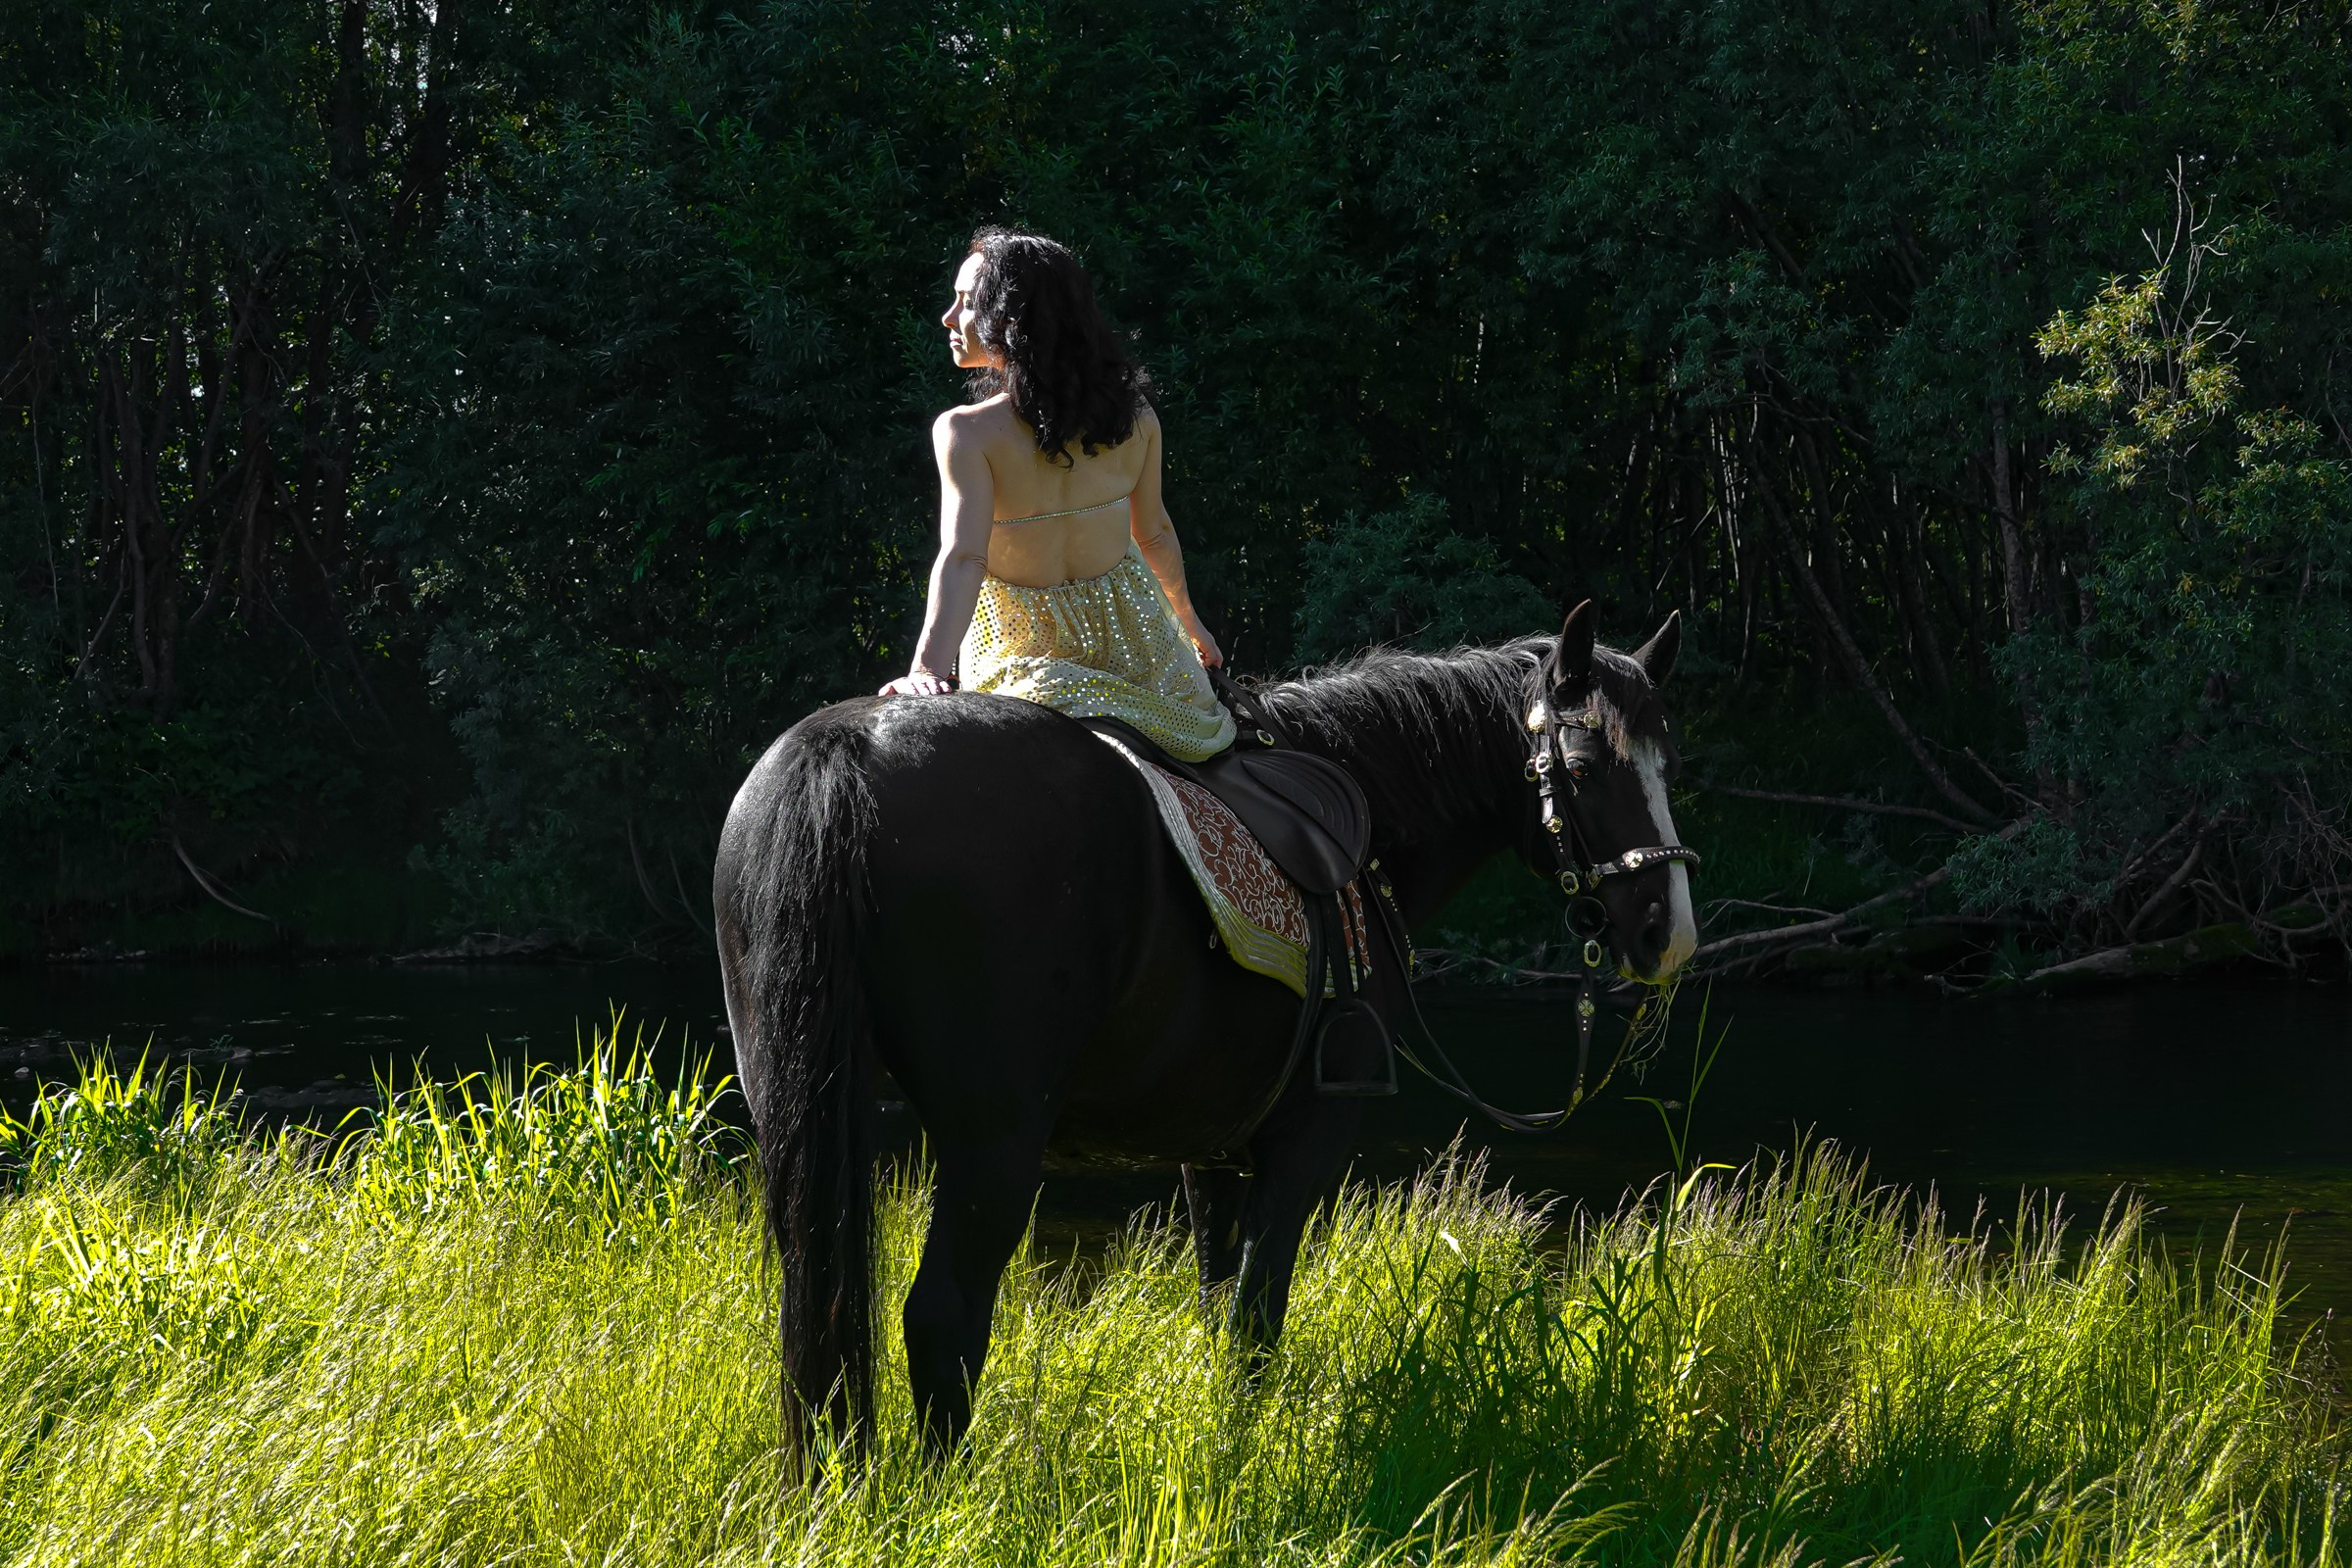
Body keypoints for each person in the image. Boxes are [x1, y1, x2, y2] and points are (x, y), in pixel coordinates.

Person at [879, 227, 1237, 762]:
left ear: (1012, 320)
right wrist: (1193, 628)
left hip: (1025, 658)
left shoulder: (965, 433)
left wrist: (926, 671)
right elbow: (1155, 534)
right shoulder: (1136, 419)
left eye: (968, 303)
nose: (949, 319)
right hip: (1139, 648)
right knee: (1209, 762)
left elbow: (964, 557)